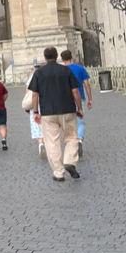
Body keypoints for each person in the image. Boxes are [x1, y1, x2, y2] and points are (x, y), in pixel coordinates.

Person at [28, 45, 83, 182]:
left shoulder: (39, 73)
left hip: (48, 112)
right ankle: (69, 161)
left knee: (52, 142)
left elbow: (35, 95)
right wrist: (79, 108)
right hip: (68, 109)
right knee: (71, 137)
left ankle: (58, 172)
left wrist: (35, 111)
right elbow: (75, 91)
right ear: (57, 56)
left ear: (45, 57)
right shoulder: (66, 70)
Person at [60, 49, 92, 159]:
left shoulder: (61, 70)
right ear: (71, 57)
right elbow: (87, 84)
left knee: (69, 123)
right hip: (79, 97)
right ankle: (79, 139)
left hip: (64, 100)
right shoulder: (80, 68)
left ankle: (71, 144)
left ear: (62, 59)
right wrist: (90, 99)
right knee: (80, 122)